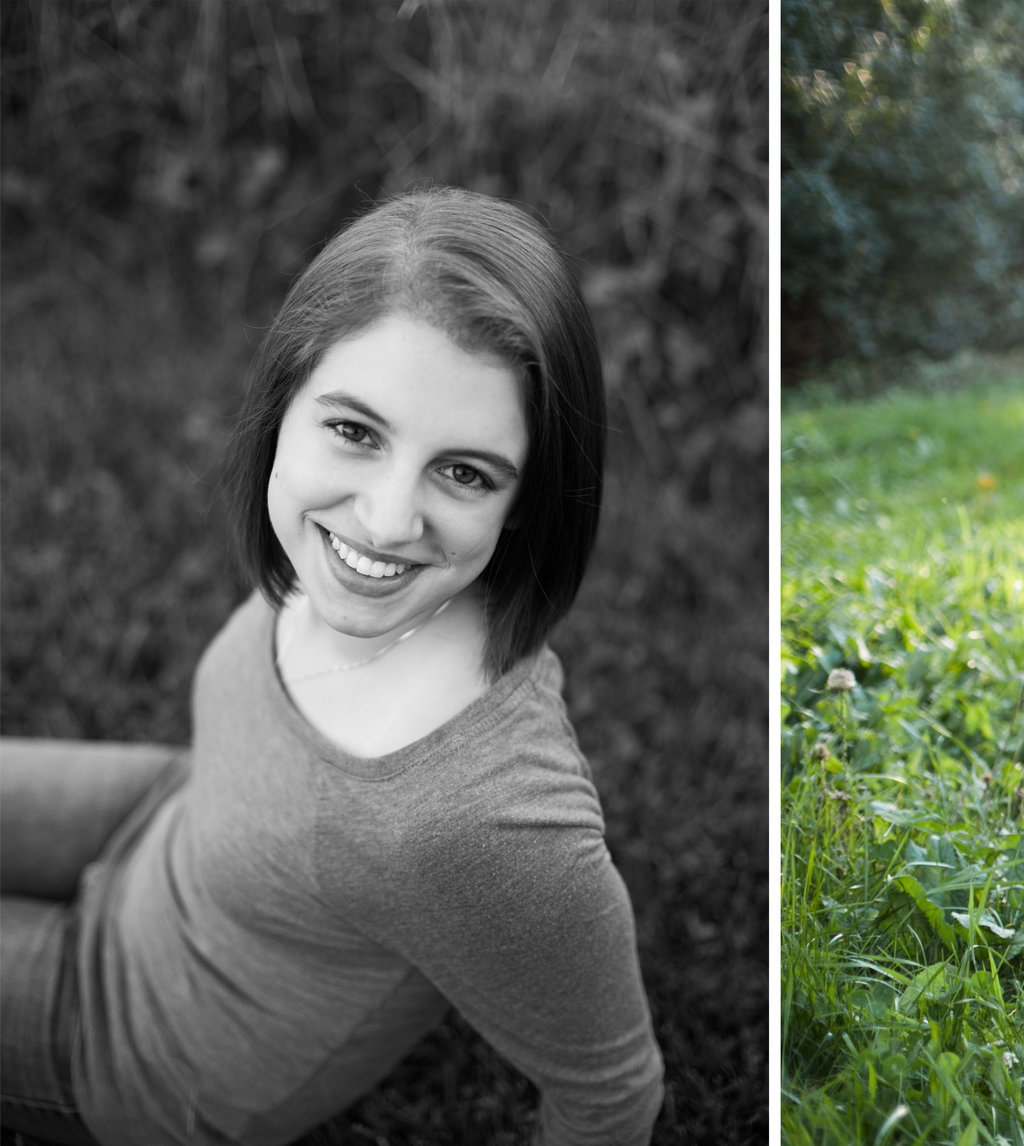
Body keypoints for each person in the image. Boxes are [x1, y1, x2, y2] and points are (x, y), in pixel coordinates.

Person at [0, 188, 664, 1145]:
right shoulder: (356, 572)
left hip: (116, 1044)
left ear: (524, 503)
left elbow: (613, 1093)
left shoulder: (482, 819)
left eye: (465, 472)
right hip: (164, 823)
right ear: (285, 406)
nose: (389, 521)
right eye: (355, 431)